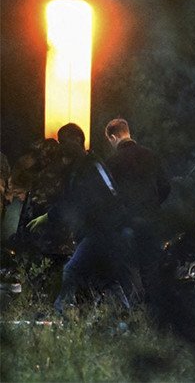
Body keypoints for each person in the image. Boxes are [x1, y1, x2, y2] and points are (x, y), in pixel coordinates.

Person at [28, 123, 131, 314]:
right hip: (101, 231)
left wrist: (49, 216)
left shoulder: (90, 165)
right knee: (106, 278)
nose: (62, 147)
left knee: (72, 270)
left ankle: (61, 313)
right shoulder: (82, 167)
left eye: (64, 141)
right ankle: (127, 316)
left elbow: (83, 199)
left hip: (101, 231)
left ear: (76, 140)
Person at [105, 118, 171, 302]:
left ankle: (135, 305)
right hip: (151, 219)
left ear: (113, 137)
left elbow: (107, 194)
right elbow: (166, 186)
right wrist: (153, 204)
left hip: (126, 222)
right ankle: (152, 306)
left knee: (128, 264)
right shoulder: (151, 155)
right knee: (150, 265)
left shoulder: (112, 161)